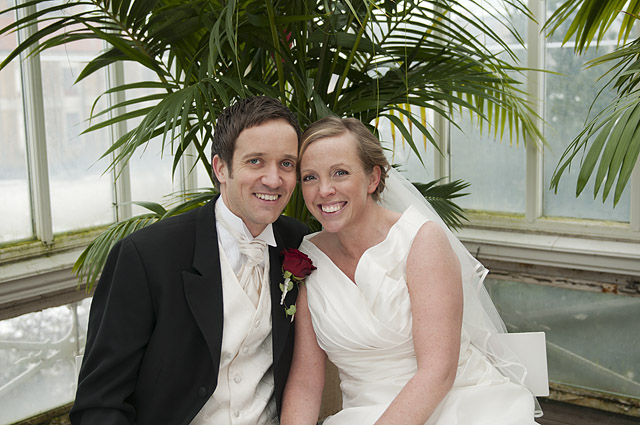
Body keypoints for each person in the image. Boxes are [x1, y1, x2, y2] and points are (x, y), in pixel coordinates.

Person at [280, 116, 540, 425]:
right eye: (310, 177)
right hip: (362, 414)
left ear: (373, 178)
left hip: (456, 405)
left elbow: (438, 373)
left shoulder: (421, 241)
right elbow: (306, 382)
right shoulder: (308, 257)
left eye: (341, 173)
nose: (324, 190)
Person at [70, 96, 309, 425]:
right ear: (220, 168)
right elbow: (99, 404)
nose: (273, 179)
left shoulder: (298, 242)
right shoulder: (145, 256)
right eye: (255, 161)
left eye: (286, 164)